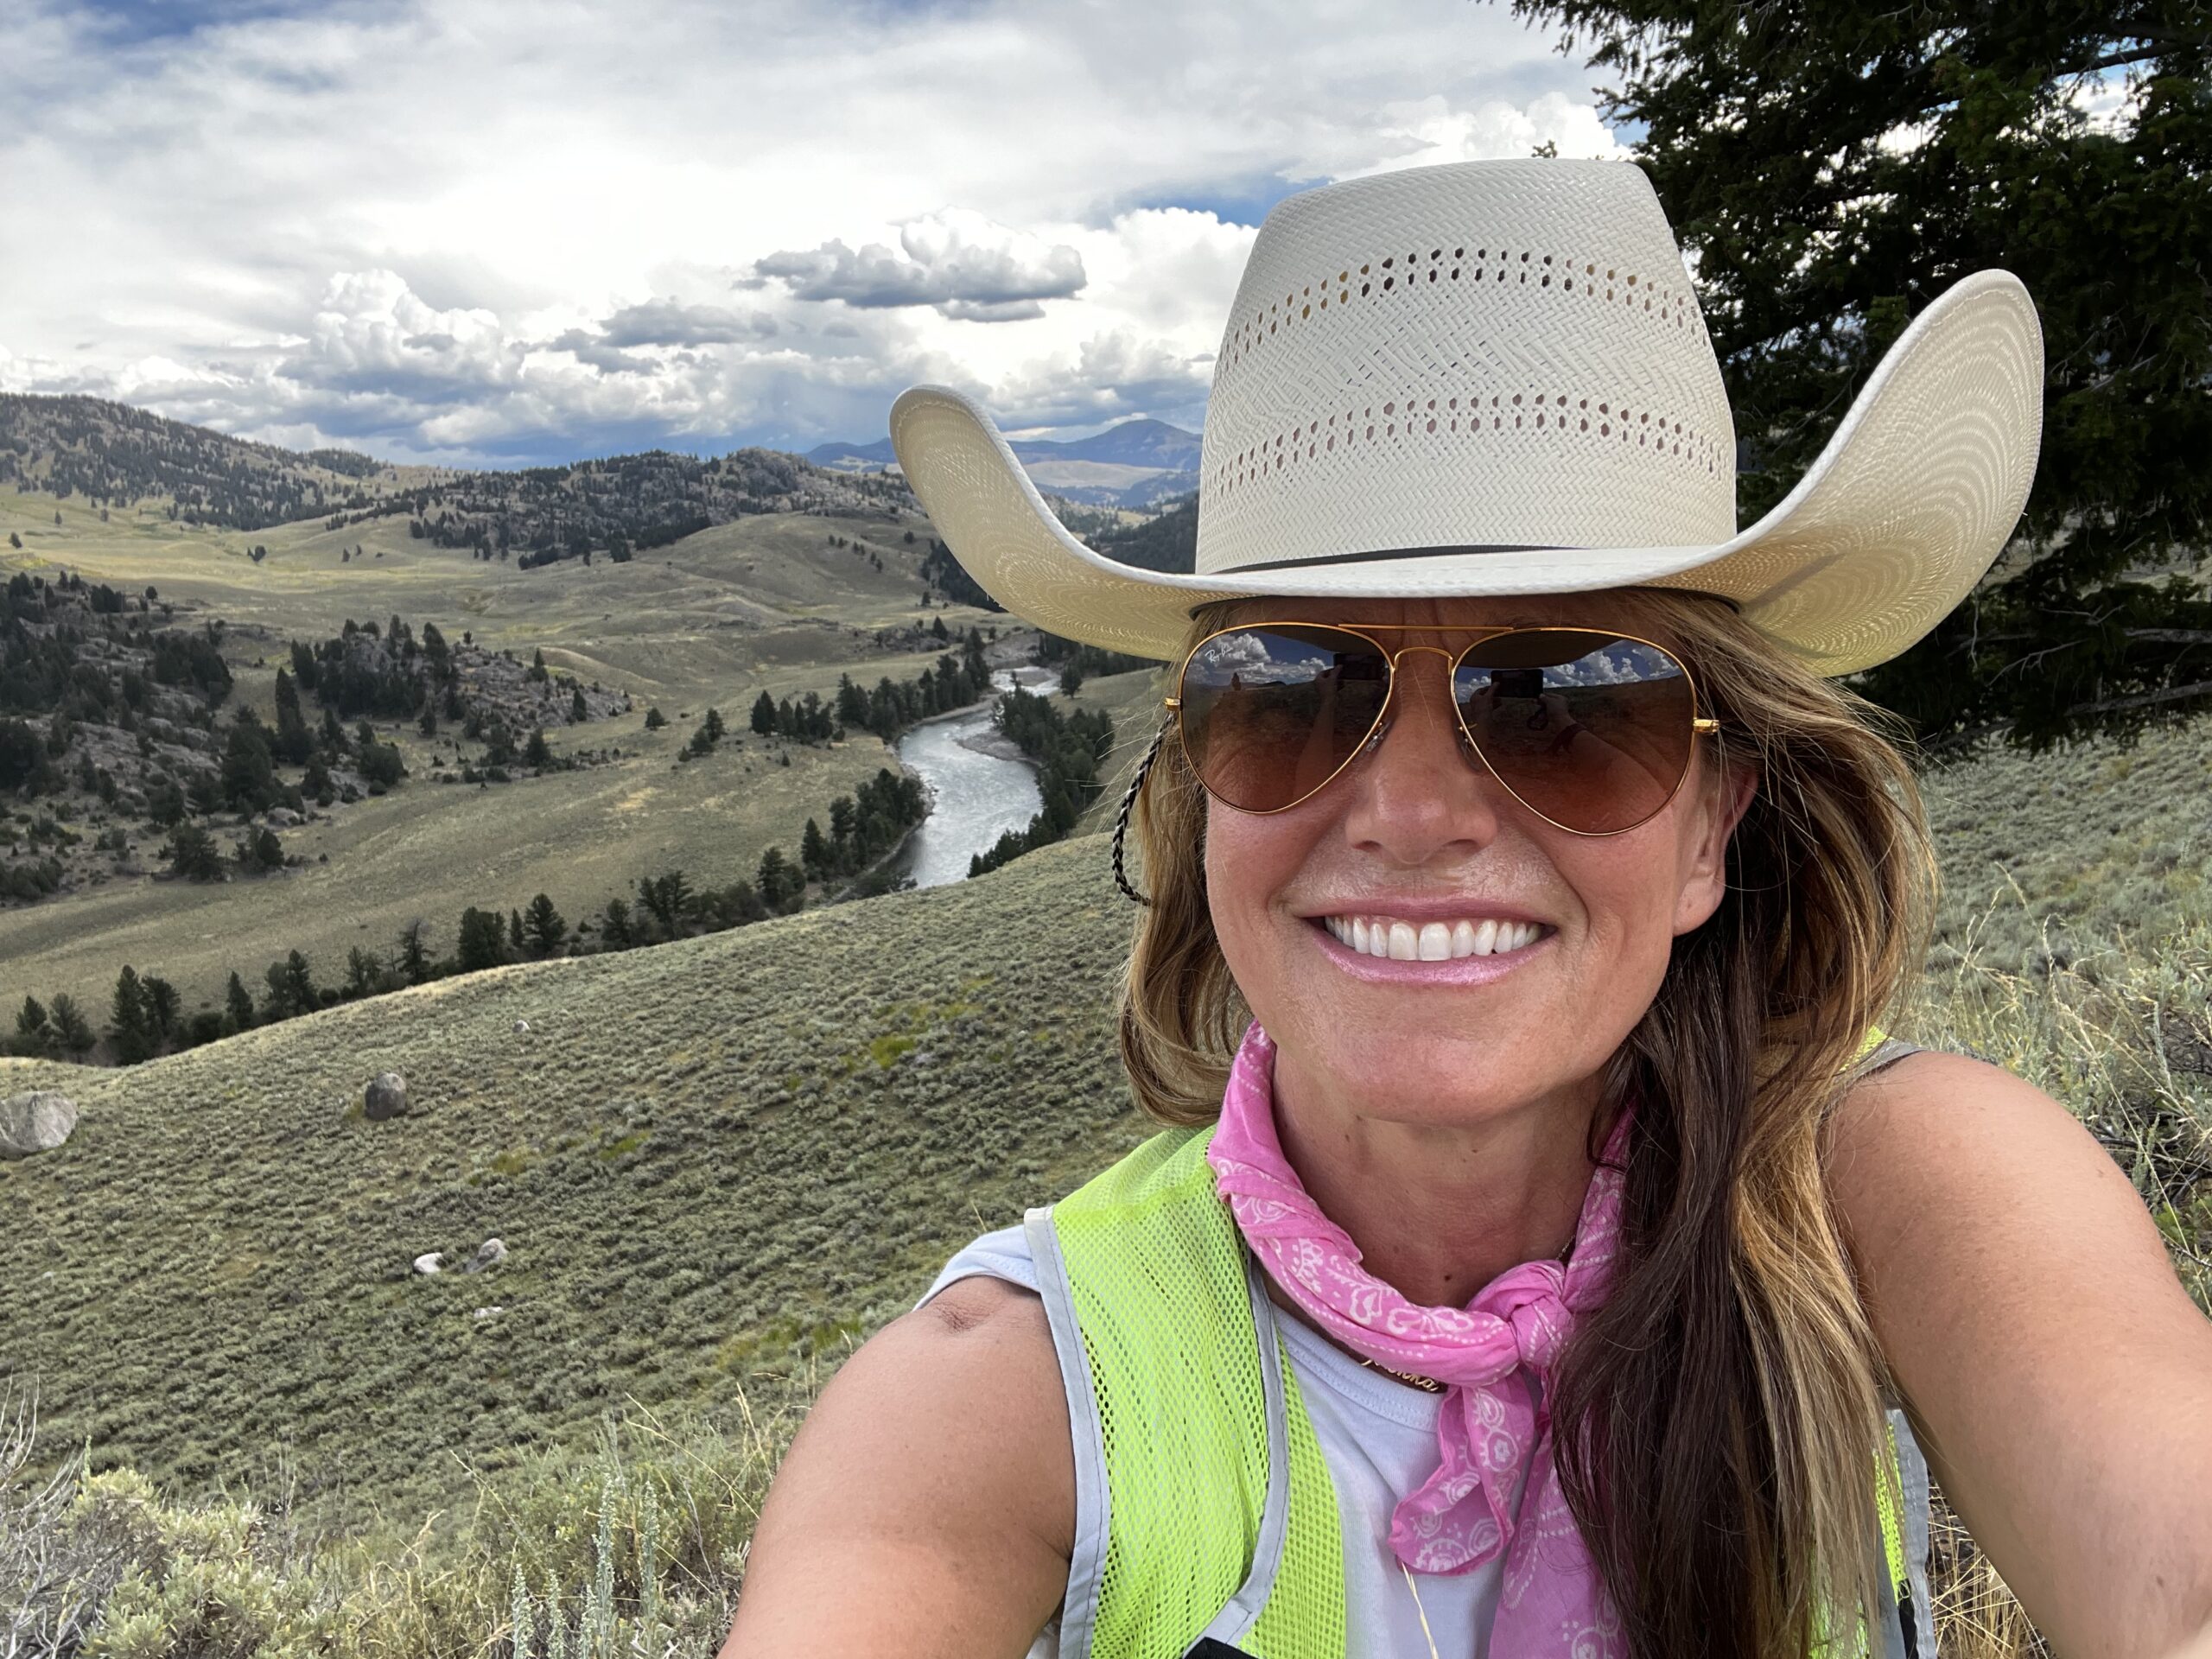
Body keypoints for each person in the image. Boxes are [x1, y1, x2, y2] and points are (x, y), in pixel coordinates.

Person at [723, 162, 2212, 1658]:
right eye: (1291, 696)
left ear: (1713, 826)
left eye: (1568, 700)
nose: (1414, 814)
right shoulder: (1005, 1399)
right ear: (1198, 793)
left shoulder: (1891, 1194)